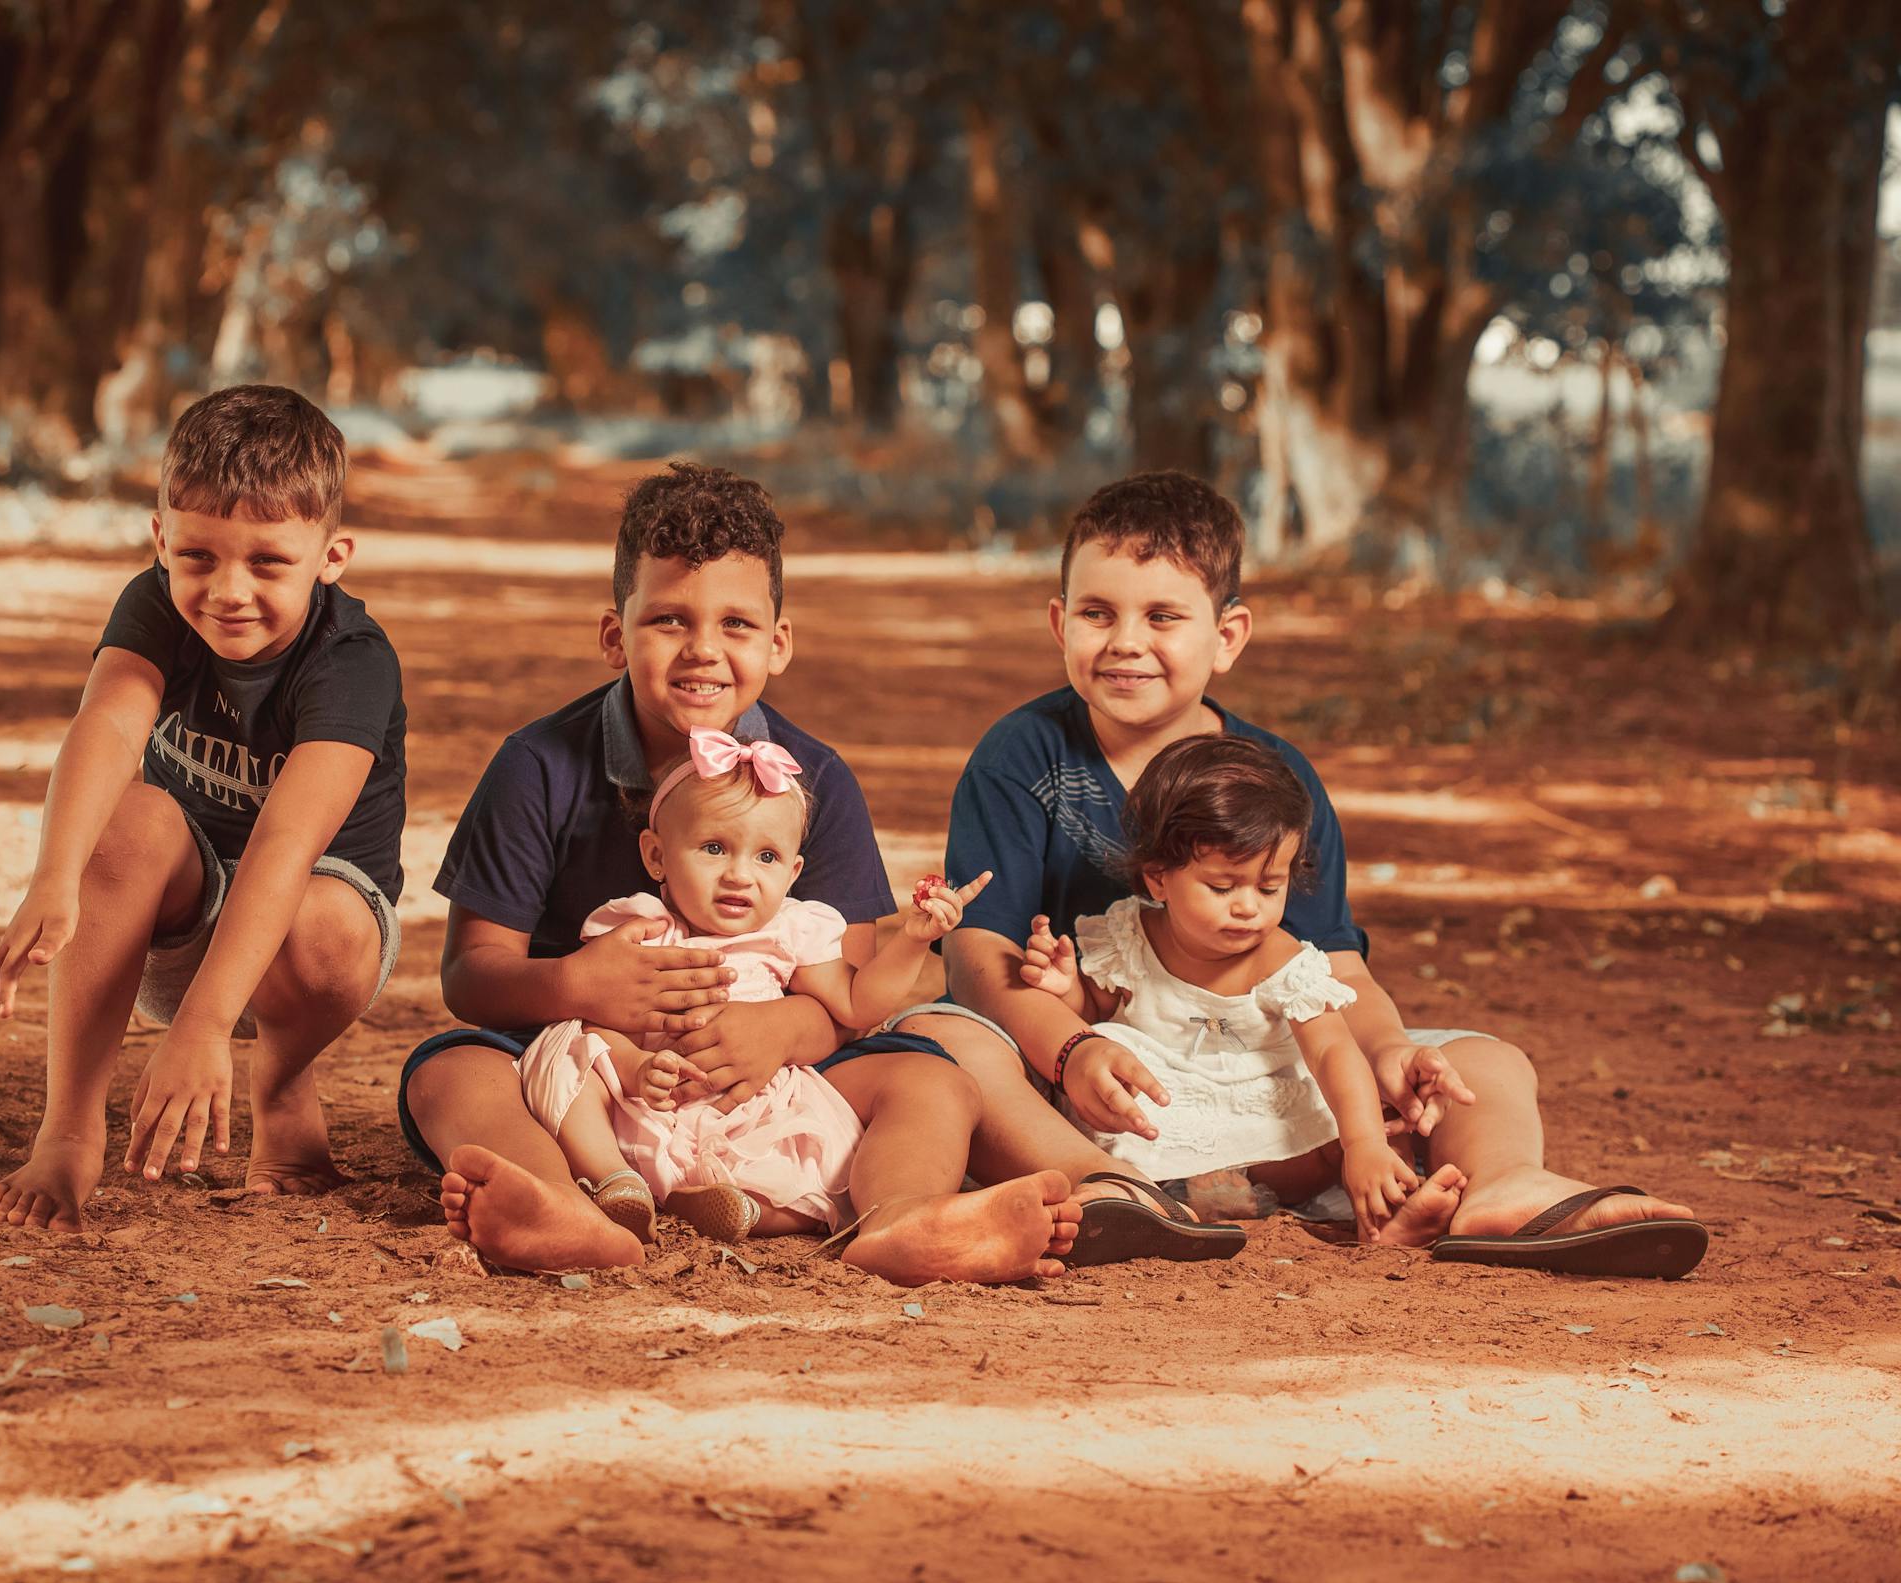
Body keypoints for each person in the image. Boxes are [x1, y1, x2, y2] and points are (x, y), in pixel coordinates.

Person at [905, 469, 1707, 1278]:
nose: (1125, 642)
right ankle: (1110, 1189)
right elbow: (978, 962)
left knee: (1490, 1062)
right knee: (942, 1040)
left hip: (1261, 1061)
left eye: (1163, 617)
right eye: (1097, 613)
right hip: (1094, 1071)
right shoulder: (1023, 758)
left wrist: (1390, 1049)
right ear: (1059, 622)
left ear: (1228, 635)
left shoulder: (1274, 777)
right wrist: (1070, 1047)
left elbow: (1334, 964)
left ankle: (1502, 1187)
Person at [399, 461, 1080, 1286]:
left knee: (933, 1081)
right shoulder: (537, 767)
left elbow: (852, 994)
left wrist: (782, 1031)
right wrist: (578, 989)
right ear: (615, 635)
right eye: (668, 621)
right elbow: (471, 974)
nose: (703, 652)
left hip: (767, 1087)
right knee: (447, 1072)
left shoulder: (815, 781)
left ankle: (899, 1219)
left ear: (778, 642)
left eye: (737, 625)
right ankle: (566, 1209)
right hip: (591, 1082)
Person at [0, 385, 406, 1232]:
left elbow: (284, 843)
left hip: (314, 935)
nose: (227, 591)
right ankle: (67, 1134)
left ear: (332, 555)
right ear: (161, 538)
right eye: (198, 556)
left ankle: (280, 1077)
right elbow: (108, 725)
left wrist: (203, 1028)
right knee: (125, 820)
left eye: (268, 562)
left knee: (324, 919)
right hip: (179, 925)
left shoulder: (353, 661)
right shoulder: (154, 603)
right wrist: (54, 880)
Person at [520, 727, 990, 1244]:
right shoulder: (641, 928)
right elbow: (601, 1025)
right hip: (646, 1107)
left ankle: (739, 1210)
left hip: (752, 1109)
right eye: (715, 848)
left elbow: (859, 1005)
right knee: (565, 1048)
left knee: (818, 1173)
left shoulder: (790, 931)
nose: (740, 876)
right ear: (656, 856)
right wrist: (637, 1069)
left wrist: (913, 941)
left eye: (765, 858)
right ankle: (617, 1180)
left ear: (793, 873)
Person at [1017, 733, 1471, 1242]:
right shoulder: (1127, 937)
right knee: (1106, 1083)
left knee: (1362, 1122)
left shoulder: (1283, 958)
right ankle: (1166, 1194)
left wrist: (1362, 1142)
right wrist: (1065, 989)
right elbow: (1096, 1008)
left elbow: (1331, 1052)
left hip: (1264, 1117)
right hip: (1169, 1108)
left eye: (1269, 887)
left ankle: (1382, 1212)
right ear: (1159, 879)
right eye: (1222, 887)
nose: (1248, 906)